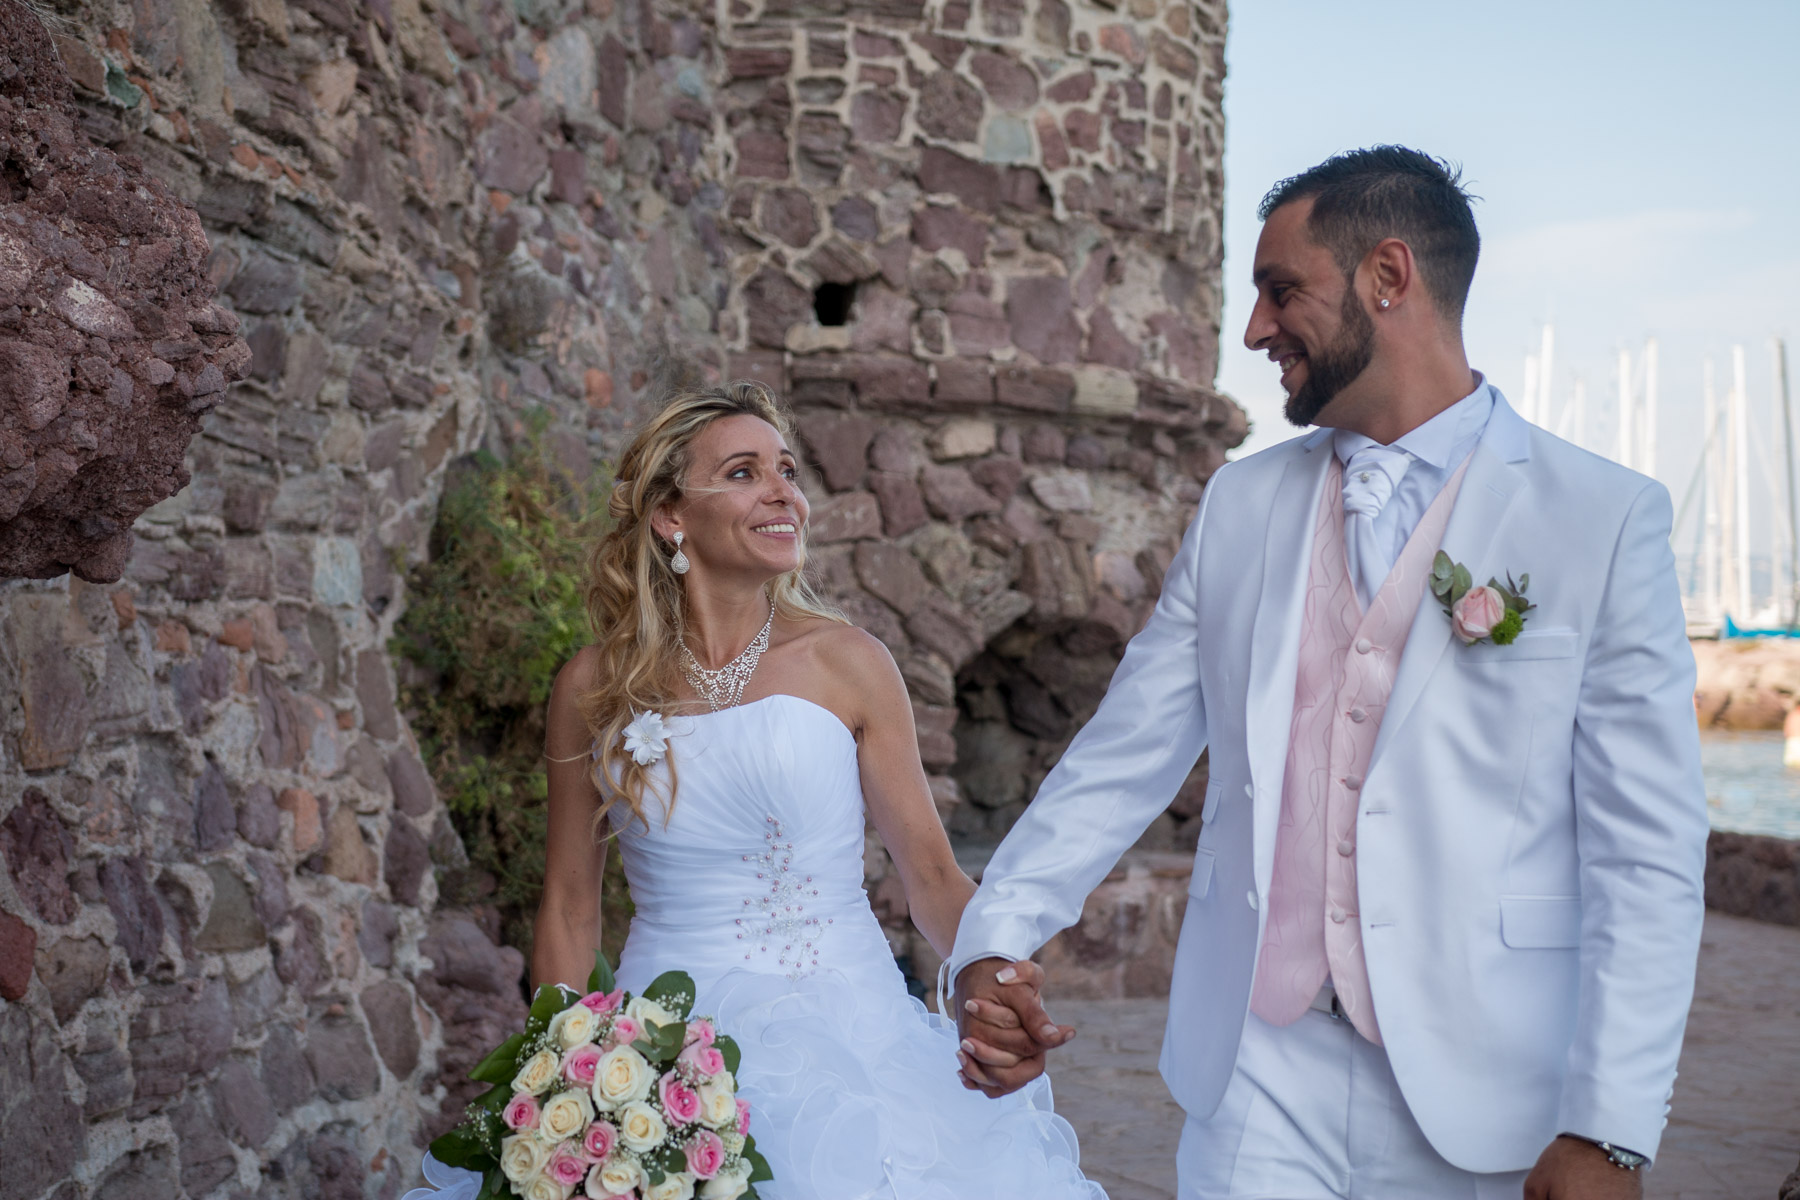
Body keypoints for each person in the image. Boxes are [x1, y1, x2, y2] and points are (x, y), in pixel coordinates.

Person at [947, 147, 1708, 1200]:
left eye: (1280, 291)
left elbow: (1648, 851)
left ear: (1387, 277)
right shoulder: (1239, 506)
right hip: (1259, 1071)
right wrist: (994, 940)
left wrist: (1611, 1129)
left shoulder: (1601, 519)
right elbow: (1120, 759)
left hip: (1489, 1090)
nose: (1255, 330)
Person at [410, 381, 1102, 1200]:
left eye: (788, 470)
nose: (785, 494)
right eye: (744, 472)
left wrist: (992, 966)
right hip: (661, 1054)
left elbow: (932, 876)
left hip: (855, 1045)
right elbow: (568, 905)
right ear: (671, 514)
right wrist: (566, 1078)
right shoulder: (592, 687)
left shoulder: (851, 662)